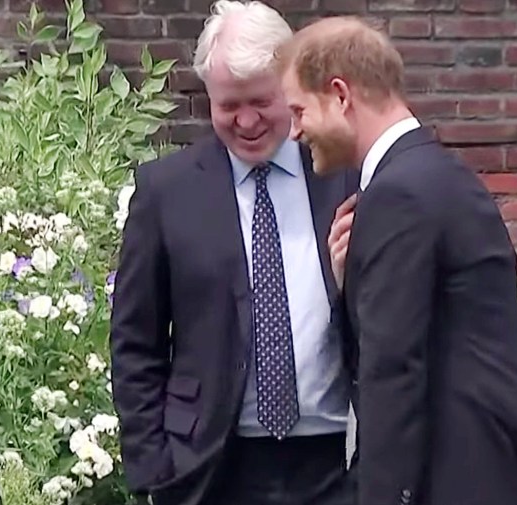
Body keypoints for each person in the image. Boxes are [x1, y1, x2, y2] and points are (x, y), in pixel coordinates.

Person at [275, 16, 517, 505]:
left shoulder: (400, 193)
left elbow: (392, 369)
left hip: (457, 478)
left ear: (340, 95)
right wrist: (354, 281)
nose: (293, 132)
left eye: (299, 111)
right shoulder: (434, 175)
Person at [108, 2, 359, 505]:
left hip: (338, 463)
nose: (246, 121)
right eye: (227, 105)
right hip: (211, 467)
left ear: (291, 85)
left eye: (261, 102)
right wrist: (154, 470)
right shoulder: (167, 191)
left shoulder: (344, 173)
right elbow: (136, 341)